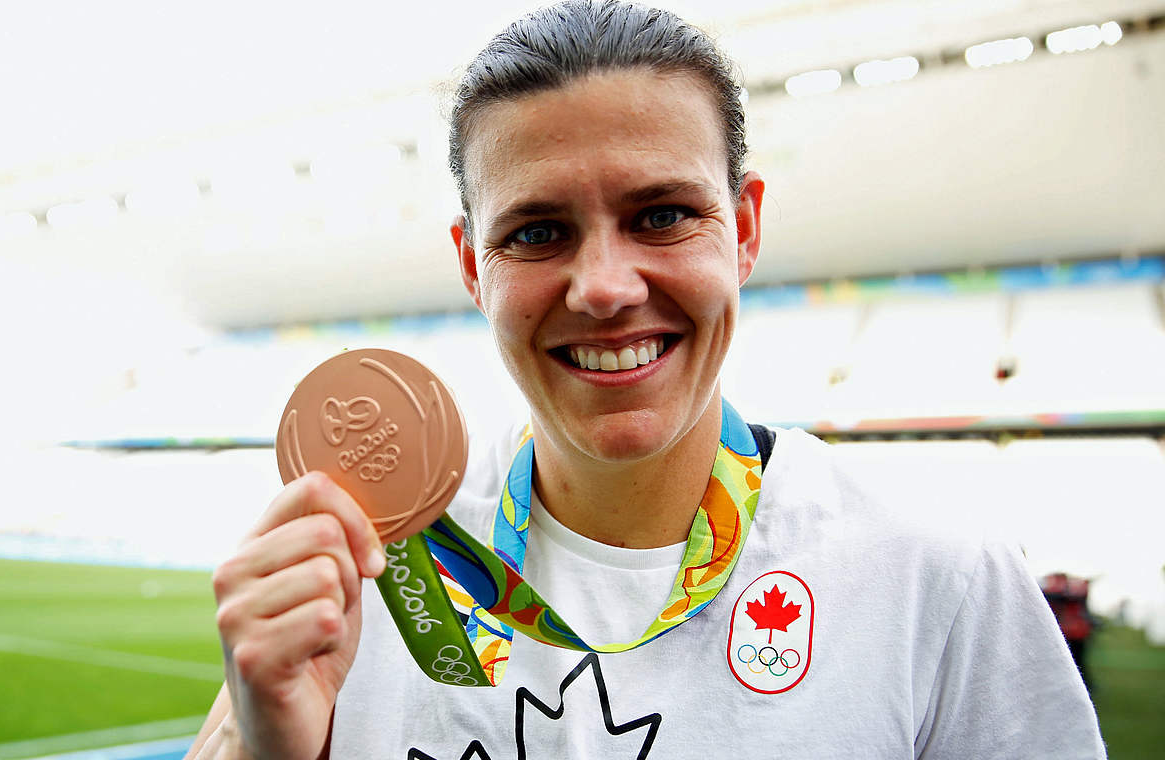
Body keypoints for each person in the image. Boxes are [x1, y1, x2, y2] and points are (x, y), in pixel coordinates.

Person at [187, 2, 1106, 758]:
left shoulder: (935, 577)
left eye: (662, 214)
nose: (604, 289)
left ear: (743, 229)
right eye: (537, 232)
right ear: (473, 266)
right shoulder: (374, 562)